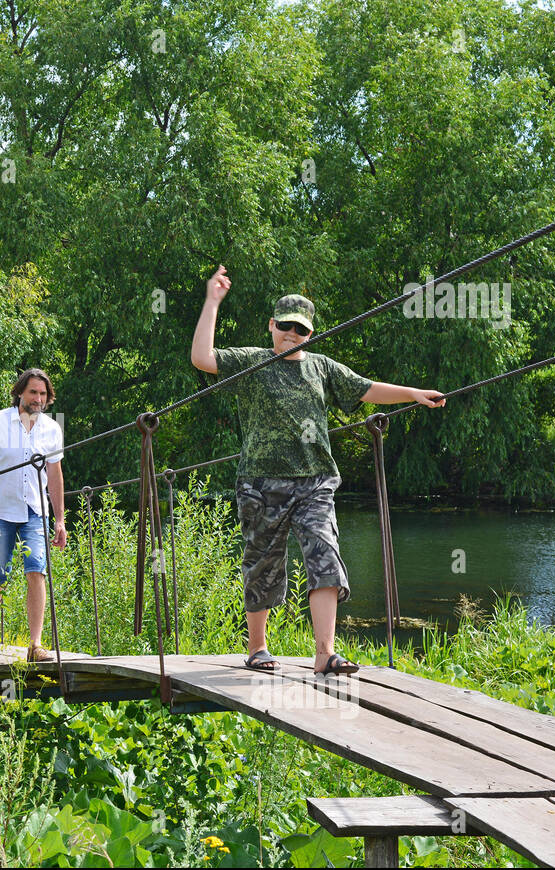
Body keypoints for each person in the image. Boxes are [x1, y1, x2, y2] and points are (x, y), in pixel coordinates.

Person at [190, 266, 446, 675]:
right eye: (286, 326)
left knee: (325, 556)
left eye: (302, 329)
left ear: (310, 334)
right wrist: (212, 302)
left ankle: (325, 654)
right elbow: (202, 359)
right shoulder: (252, 363)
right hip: (260, 483)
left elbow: (366, 388)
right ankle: (258, 648)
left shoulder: (323, 367)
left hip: (315, 481)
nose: (292, 333)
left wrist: (412, 394)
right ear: (272, 325)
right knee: (263, 565)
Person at [0, 369, 67, 664]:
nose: (38, 399)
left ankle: (35, 645)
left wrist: (60, 520)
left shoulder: (52, 428)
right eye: (33, 392)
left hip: (35, 512)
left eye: (42, 394)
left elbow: (55, 474)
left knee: (37, 570)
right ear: (20, 393)